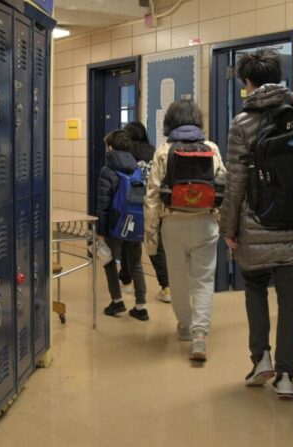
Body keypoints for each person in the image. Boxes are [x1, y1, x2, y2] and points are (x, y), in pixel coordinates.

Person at [219, 49, 293, 399]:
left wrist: (228, 230)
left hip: (256, 226)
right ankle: (288, 376)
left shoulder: (242, 123)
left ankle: (261, 359)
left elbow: (235, 184)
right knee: (291, 304)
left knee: (255, 289)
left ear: (247, 82)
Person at [144, 99, 226, 361]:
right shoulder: (211, 148)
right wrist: (221, 223)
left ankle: (185, 327)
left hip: (173, 225)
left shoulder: (163, 151)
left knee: (178, 280)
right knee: (202, 280)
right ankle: (200, 336)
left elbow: (152, 197)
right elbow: (222, 187)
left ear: (170, 121)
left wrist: (151, 237)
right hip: (204, 223)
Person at [96, 129, 149, 321]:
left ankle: (117, 301)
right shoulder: (137, 168)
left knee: (109, 261)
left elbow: (103, 204)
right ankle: (141, 306)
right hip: (134, 222)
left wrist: (101, 232)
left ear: (110, 147)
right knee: (136, 264)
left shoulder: (107, 170)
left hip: (114, 223)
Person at [118, 121, 171, 303]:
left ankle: (126, 281)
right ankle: (166, 287)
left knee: (128, 242)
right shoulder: (153, 151)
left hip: (133, 204)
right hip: (153, 204)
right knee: (156, 246)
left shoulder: (126, 154)